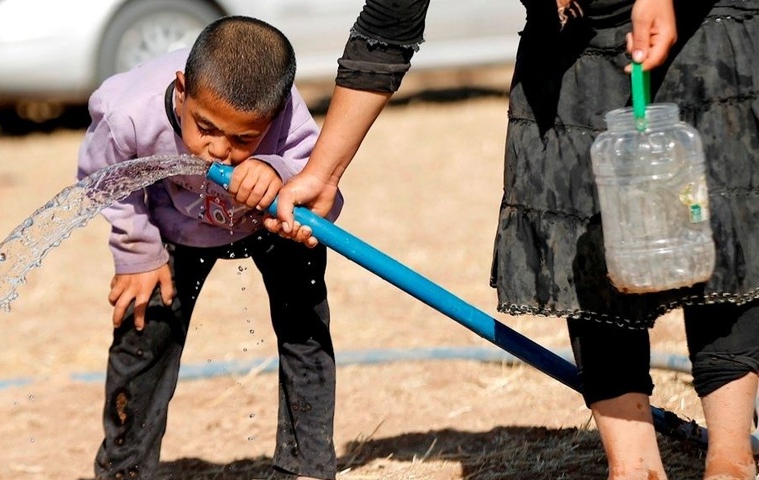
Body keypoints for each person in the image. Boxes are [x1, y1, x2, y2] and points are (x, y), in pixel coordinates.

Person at [264, 1, 759, 479]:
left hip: (702, 24)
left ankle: (732, 461)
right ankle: (633, 467)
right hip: (566, 55)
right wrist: (323, 174)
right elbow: (387, 28)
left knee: (717, 216)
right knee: (579, 237)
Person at [77, 15, 343, 480]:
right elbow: (104, 182)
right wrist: (137, 252)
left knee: (305, 331)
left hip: (268, 224)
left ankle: (306, 466)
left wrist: (276, 168)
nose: (218, 150)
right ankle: (124, 469)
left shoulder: (281, 108)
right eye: (205, 127)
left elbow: (319, 177)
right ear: (182, 89)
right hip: (172, 228)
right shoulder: (128, 112)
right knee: (143, 334)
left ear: (274, 114)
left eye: (243, 138)